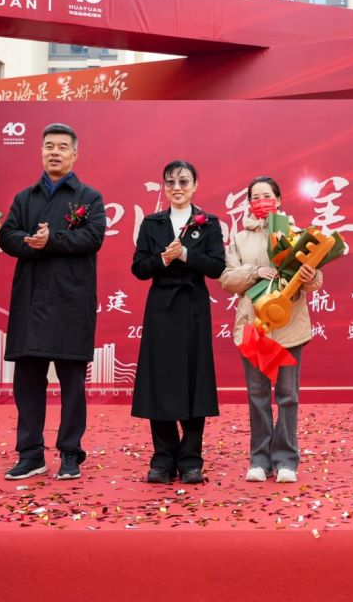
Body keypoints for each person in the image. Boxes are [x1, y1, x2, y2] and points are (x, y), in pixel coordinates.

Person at [0, 123, 106, 481]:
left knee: (72, 385)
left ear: (75, 154)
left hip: (70, 302)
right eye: (49, 146)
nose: (55, 152)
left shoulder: (89, 197)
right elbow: (7, 235)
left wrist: (53, 240)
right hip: (31, 301)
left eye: (62, 147)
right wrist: (31, 241)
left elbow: (93, 237)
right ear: (41, 152)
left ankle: (70, 453)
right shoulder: (24, 198)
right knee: (28, 383)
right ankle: (30, 454)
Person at [219, 176, 322, 484]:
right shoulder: (239, 238)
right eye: (255, 197)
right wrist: (255, 272)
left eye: (267, 196)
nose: (261, 202)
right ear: (249, 203)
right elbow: (227, 279)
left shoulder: (297, 234)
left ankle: (287, 459)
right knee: (258, 395)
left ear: (279, 200)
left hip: (289, 326)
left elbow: (316, 282)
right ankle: (260, 459)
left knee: (288, 395)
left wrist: (310, 275)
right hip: (255, 327)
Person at [132, 160, 226, 484]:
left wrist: (185, 255)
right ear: (164, 187)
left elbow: (217, 267)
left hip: (193, 307)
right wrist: (163, 258)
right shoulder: (152, 223)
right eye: (170, 182)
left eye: (184, 181)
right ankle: (163, 458)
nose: (177, 188)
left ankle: (190, 459)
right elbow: (139, 268)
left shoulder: (208, 223)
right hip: (160, 308)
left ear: (195, 185)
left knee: (194, 381)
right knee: (159, 381)